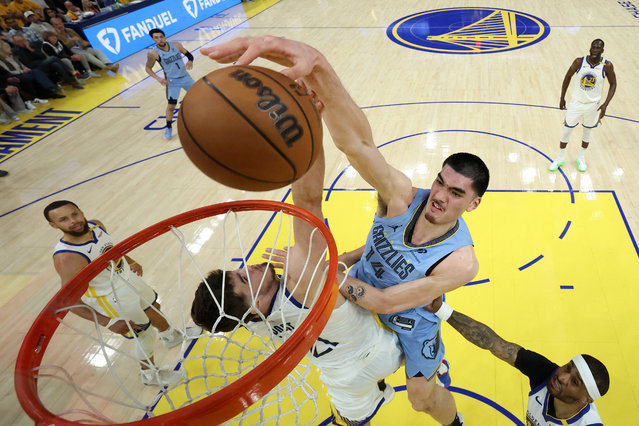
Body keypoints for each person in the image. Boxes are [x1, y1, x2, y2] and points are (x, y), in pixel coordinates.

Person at [200, 35, 491, 426]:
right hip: (358, 303)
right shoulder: (402, 198)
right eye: (440, 182)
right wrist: (317, 71)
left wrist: (332, 277)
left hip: (404, 313)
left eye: (455, 193)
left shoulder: (461, 262)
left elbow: (388, 304)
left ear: (473, 204)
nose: (438, 195)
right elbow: (358, 146)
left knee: (421, 400)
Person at [191, 136, 403, 424]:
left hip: (344, 378)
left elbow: (320, 274)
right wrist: (304, 128)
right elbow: (306, 200)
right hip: (385, 349)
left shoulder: (253, 320)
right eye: (244, 277)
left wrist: (356, 253)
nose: (250, 266)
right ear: (253, 306)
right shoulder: (301, 278)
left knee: (347, 420)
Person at [45, 200, 194, 386]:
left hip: (127, 280)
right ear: (54, 225)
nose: (74, 221)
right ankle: (149, 375)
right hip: (111, 297)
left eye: (75, 214)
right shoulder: (67, 257)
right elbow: (68, 301)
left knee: (154, 307)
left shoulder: (96, 225)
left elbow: (110, 249)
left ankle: (171, 336)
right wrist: (108, 322)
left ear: (81, 211)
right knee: (144, 335)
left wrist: (130, 260)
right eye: (64, 219)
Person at [426, 297, 609, 425]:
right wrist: (442, 310)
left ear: (588, 399)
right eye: (568, 367)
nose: (562, 376)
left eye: (575, 382)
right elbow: (494, 343)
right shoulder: (547, 374)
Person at [549, 39, 617, 173]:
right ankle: (559, 158)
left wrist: (605, 105)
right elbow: (567, 77)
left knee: (587, 132)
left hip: (593, 106)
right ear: (590, 48)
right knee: (567, 131)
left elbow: (613, 84)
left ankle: (581, 158)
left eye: (598, 48)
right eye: (593, 47)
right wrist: (562, 97)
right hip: (576, 103)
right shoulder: (579, 62)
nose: (595, 49)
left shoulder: (607, 65)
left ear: (602, 50)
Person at [144, 28, 194, 140]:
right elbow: (148, 68)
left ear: (165, 37)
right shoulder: (153, 53)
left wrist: (190, 61)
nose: (160, 39)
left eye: (161, 36)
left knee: (199, 96)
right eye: (156, 38)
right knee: (171, 106)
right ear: (153, 39)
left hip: (186, 77)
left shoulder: (176, 45)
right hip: (172, 81)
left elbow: (190, 55)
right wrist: (158, 78)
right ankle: (168, 127)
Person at [50, 17, 118, 75]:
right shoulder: (55, 35)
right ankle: (106, 68)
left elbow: (80, 39)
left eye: (60, 23)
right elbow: (64, 47)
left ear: (62, 23)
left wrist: (85, 43)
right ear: (53, 26)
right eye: (56, 25)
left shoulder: (69, 30)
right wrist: (72, 40)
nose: (59, 26)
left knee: (97, 50)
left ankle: (109, 64)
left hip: (81, 48)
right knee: (87, 54)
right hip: (72, 51)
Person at [0, 39, 65, 99]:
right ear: (2, 50)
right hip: (15, 75)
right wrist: (22, 71)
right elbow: (8, 72)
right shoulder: (1, 60)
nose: (10, 49)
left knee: (36, 72)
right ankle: (50, 91)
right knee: (34, 75)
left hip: (23, 72)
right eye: (7, 48)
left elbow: (22, 65)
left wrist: (26, 69)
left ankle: (50, 91)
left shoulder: (13, 56)